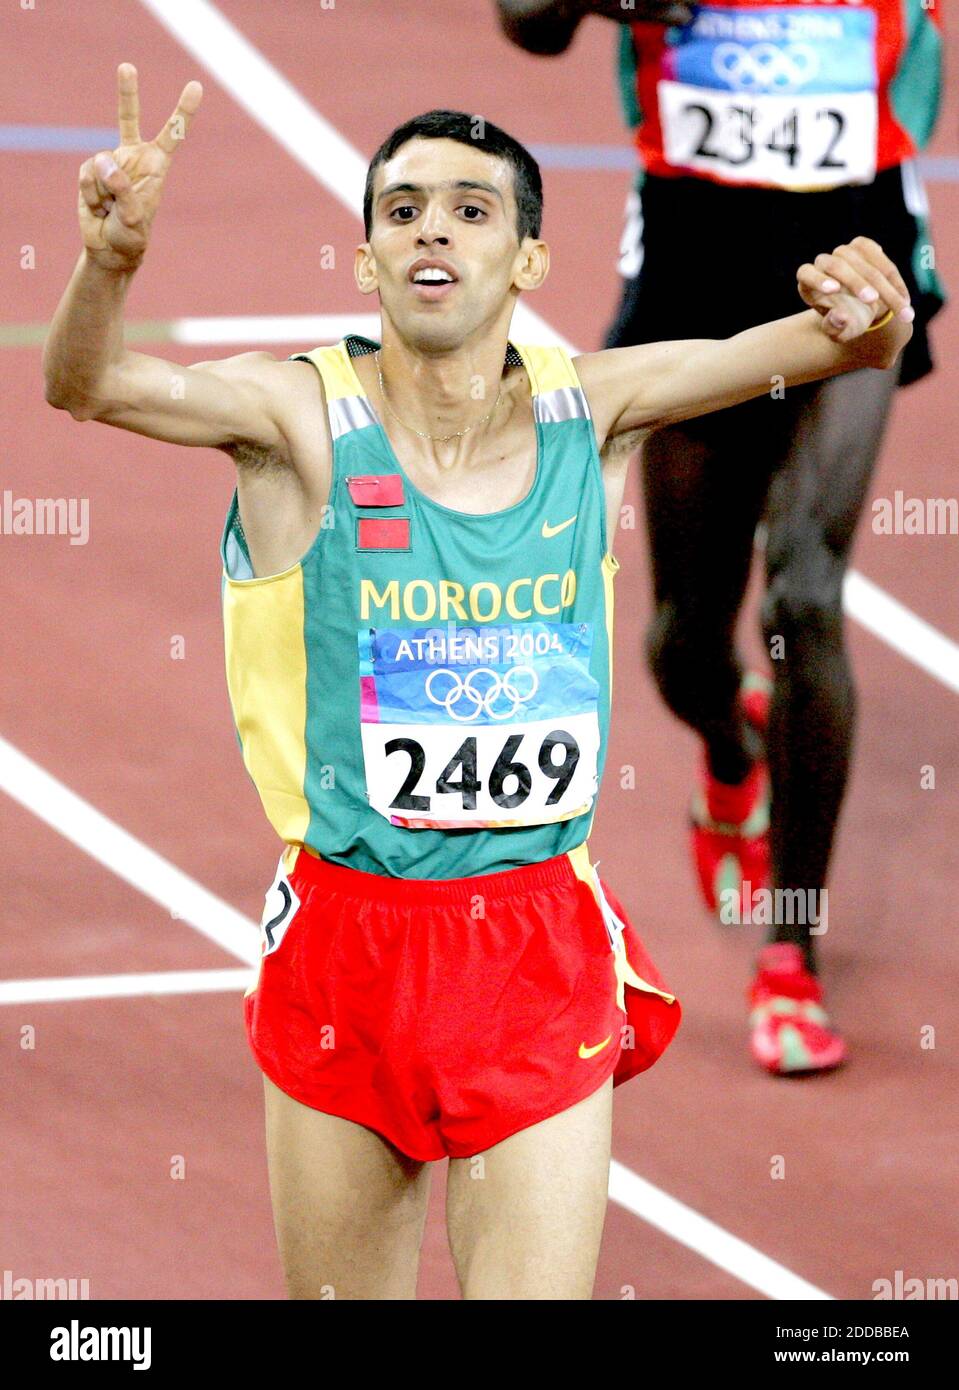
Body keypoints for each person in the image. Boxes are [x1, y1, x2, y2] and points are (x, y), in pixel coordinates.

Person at [44, 65, 913, 1299]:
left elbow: (830, 347)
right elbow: (86, 385)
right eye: (400, 212)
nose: (431, 230)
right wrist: (110, 267)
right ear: (365, 261)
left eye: (468, 209)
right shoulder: (292, 417)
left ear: (527, 261)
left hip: (531, 945)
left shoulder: (593, 411)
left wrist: (872, 305)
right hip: (347, 945)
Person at [498, 0, 945, 1075]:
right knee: (682, 640)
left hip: (857, 244)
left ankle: (788, 950)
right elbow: (526, 19)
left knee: (802, 594)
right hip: (694, 257)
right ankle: (730, 740)